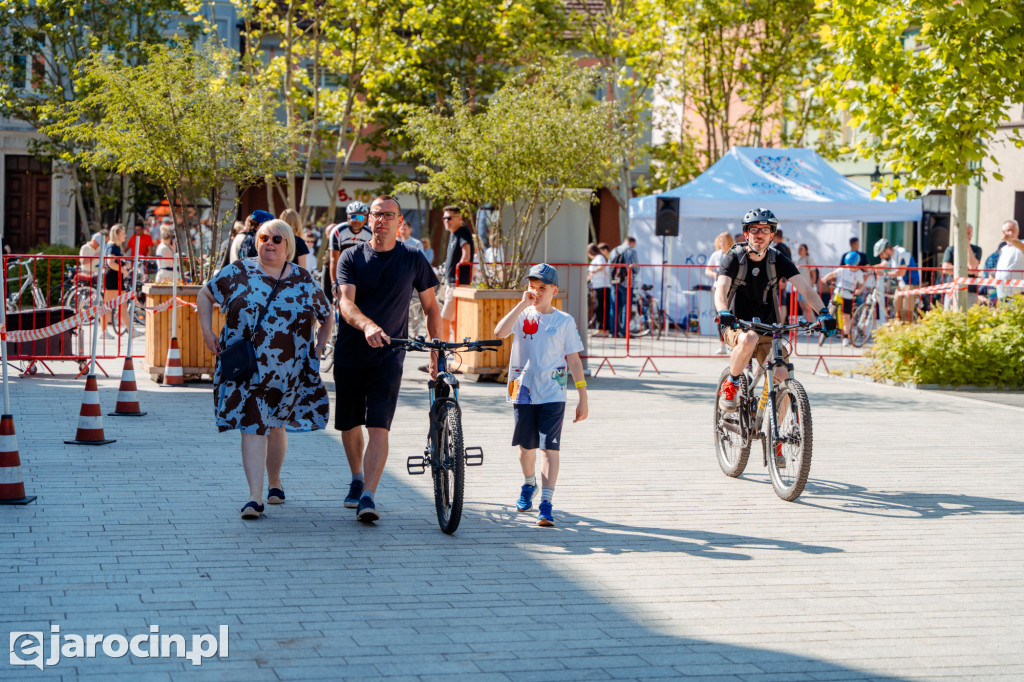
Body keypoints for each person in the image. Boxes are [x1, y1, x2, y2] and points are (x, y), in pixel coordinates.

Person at [197, 219, 333, 520]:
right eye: (263, 237)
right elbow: (205, 295)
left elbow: (327, 315)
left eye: (276, 239)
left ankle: (275, 482)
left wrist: (320, 348)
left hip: (289, 372)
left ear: (288, 246)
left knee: (276, 425)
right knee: (252, 425)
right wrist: (207, 332)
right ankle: (254, 497)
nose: (269, 243)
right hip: (247, 369)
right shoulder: (238, 272)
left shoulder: (302, 279)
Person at [334, 195, 441, 523]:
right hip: (351, 352)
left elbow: (432, 307)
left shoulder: (413, 258)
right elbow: (345, 304)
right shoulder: (351, 257)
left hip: (390, 356)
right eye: (376, 215)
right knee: (351, 423)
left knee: (379, 425)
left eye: (388, 215)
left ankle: (368, 494)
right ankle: (356, 477)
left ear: (399, 222)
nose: (380, 220)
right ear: (368, 219)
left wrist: (436, 351)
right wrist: (367, 325)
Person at [715, 208, 835, 421]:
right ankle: (731, 383)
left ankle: (775, 440)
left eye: (765, 230)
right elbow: (721, 288)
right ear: (746, 234)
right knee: (750, 338)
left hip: (770, 327)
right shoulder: (734, 257)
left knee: (782, 375)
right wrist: (723, 311)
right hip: (736, 324)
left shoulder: (777, 259)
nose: (759, 234)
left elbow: (806, 288)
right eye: (754, 230)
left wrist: (823, 312)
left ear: (772, 235)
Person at [494, 264, 587, 527]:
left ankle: (546, 503)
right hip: (523, 393)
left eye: (542, 288)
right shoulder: (522, 315)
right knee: (526, 450)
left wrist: (583, 396)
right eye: (532, 287)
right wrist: (520, 305)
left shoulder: (564, 321)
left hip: (553, 394)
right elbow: (499, 332)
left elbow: (574, 361)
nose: (535, 292)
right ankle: (528, 484)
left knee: (550, 448)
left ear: (554, 291)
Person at [324, 201, 371, 304]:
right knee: (327, 304)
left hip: (354, 268)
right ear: (348, 217)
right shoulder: (337, 231)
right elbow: (334, 259)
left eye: (360, 218)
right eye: (353, 217)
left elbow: (370, 261)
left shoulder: (369, 234)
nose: (356, 221)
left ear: (366, 219)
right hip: (333, 265)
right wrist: (334, 284)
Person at [441, 205, 474, 342]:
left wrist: (458, 272)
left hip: (458, 284)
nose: (446, 221)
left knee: (443, 319)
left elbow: (466, 254)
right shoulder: (453, 234)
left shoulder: (463, 232)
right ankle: (455, 353)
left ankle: (441, 353)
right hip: (452, 283)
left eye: (449, 218)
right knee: (454, 322)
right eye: (444, 218)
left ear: (459, 218)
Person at [820, 252, 865, 346]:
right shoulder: (843, 269)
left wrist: (858, 290)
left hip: (848, 295)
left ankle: (845, 337)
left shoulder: (859, 273)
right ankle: (826, 325)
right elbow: (833, 274)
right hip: (838, 292)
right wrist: (825, 278)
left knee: (846, 317)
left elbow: (861, 284)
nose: (848, 266)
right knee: (830, 309)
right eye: (848, 264)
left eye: (851, 265)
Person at [873, 238, 920, 322]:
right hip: (901, 285)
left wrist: (885, 274)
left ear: (886, 250)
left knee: (906, 312)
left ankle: (908, 331)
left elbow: (901, 272)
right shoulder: (891, 257)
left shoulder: (902, 253)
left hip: (911, 283)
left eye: (881, 254)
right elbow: (883, 264)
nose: (881, 257)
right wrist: (871, 268)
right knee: (897, 311)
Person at [704, 232, 735, 354]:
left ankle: (733, 343)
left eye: (725, 241)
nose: (722, 243)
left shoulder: (733, 254)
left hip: (732, 289)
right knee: (720, 316)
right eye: (720, 241)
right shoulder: (716, 255)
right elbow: (708, 270)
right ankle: (722, 345)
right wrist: (716, 275)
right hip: (718, 288)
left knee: (733, 315)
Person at [940, 223, 982, 308]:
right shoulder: (950, 249)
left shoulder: (977, 250)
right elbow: (945, 268)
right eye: (965, 233)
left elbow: (972, 266)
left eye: (969, 233)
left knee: (970, 318)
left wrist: (968, 247)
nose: (967, 236)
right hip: (952, 289)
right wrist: (966, 270)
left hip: (970, 291)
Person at [608, 236, 639, 337]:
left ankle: (613, 332)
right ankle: (625, 332)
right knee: (626, 308)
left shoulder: (614, 250)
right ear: (632, 242)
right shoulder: (632, 251)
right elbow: (636, 268)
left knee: (614, 307)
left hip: (614, 282)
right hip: (627, 283)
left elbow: (609, 267)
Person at [103, 224, 129, 338]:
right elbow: (110, 263)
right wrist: (123, 269)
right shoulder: (112, 246)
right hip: (112, 277)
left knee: (122, 305)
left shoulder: (116, 247)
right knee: (108, 306)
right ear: (117, 234)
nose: (125, 235)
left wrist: (125, 265)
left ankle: (131, 330)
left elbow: (115, 262)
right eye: (123, 233)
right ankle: (103, 331)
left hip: (116, 277)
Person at [993, 219, 1024, 301]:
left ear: (1018, 231)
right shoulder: (1003, 249)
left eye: (1013, 230)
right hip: (1002, 292)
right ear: (1003, 233)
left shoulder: (1022, 243)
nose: (1010, 233)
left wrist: (1011, 240)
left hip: (1017, 292)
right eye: (1008, 231)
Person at [587, 243, 612, 335]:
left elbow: (602, 266)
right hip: (598, 285)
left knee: (601, 307)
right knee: (598, 308)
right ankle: (602, 328)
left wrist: (594, 271)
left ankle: (603, 329)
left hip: (602, 285)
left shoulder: (599, 258)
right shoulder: (597, 259)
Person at [794, 243, 820, 320]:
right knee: (803, 306)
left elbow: (813, 272)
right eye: (799, 249)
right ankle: (807, 325)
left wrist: (812, 285)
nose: (799, 250)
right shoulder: (799, 260)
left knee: (807, 307)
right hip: (800, 287)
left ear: (806, 250)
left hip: (807, 286)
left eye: (801, 249)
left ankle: (812, 326)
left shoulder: (808, 259)